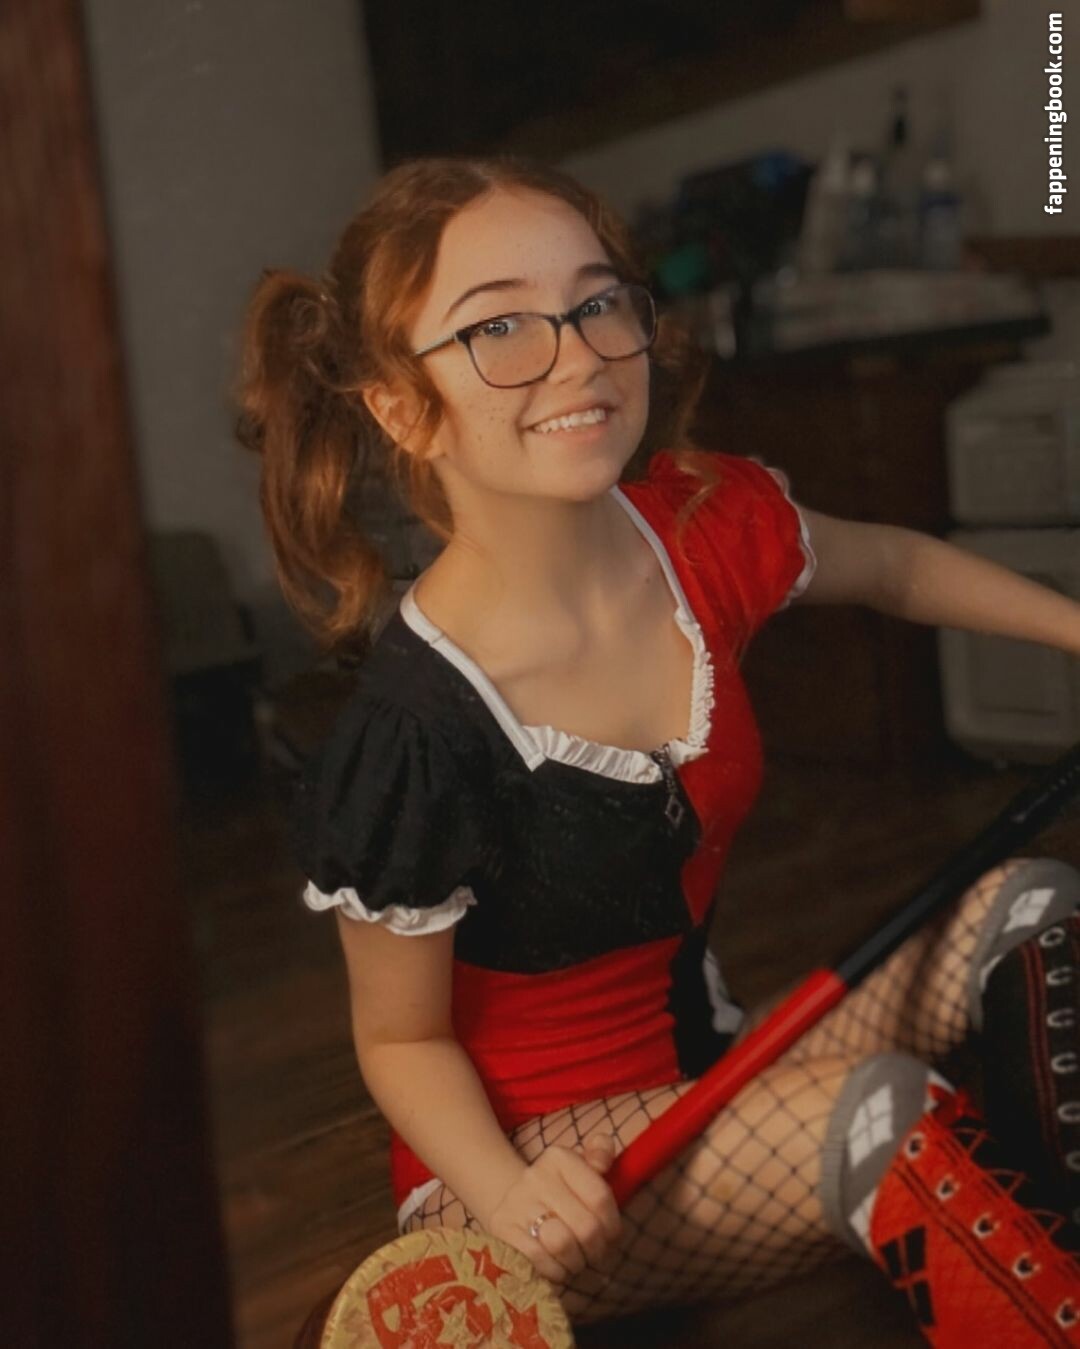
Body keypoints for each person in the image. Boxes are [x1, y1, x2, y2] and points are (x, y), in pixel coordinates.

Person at [234, 155, 1080, 1339]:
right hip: (533, 1174)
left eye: (596, 302)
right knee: (879, 1111)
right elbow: (399, 1036)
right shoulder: (415, 729)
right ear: (402, 408)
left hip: (712, 1066)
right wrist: (509, 1192)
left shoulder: (696, 527)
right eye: (499, 328)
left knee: (1032, 908)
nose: (577, 354)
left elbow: (894, 565)